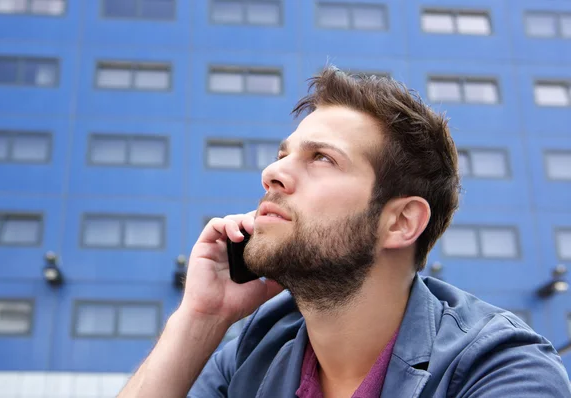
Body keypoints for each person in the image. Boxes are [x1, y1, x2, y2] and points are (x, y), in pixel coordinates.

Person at [118, 67, 571, 398]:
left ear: (400, 222)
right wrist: (201, 317)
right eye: (283, 154)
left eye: (322, 159)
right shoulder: (254, 350)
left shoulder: (500, 368)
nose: (271, 172)